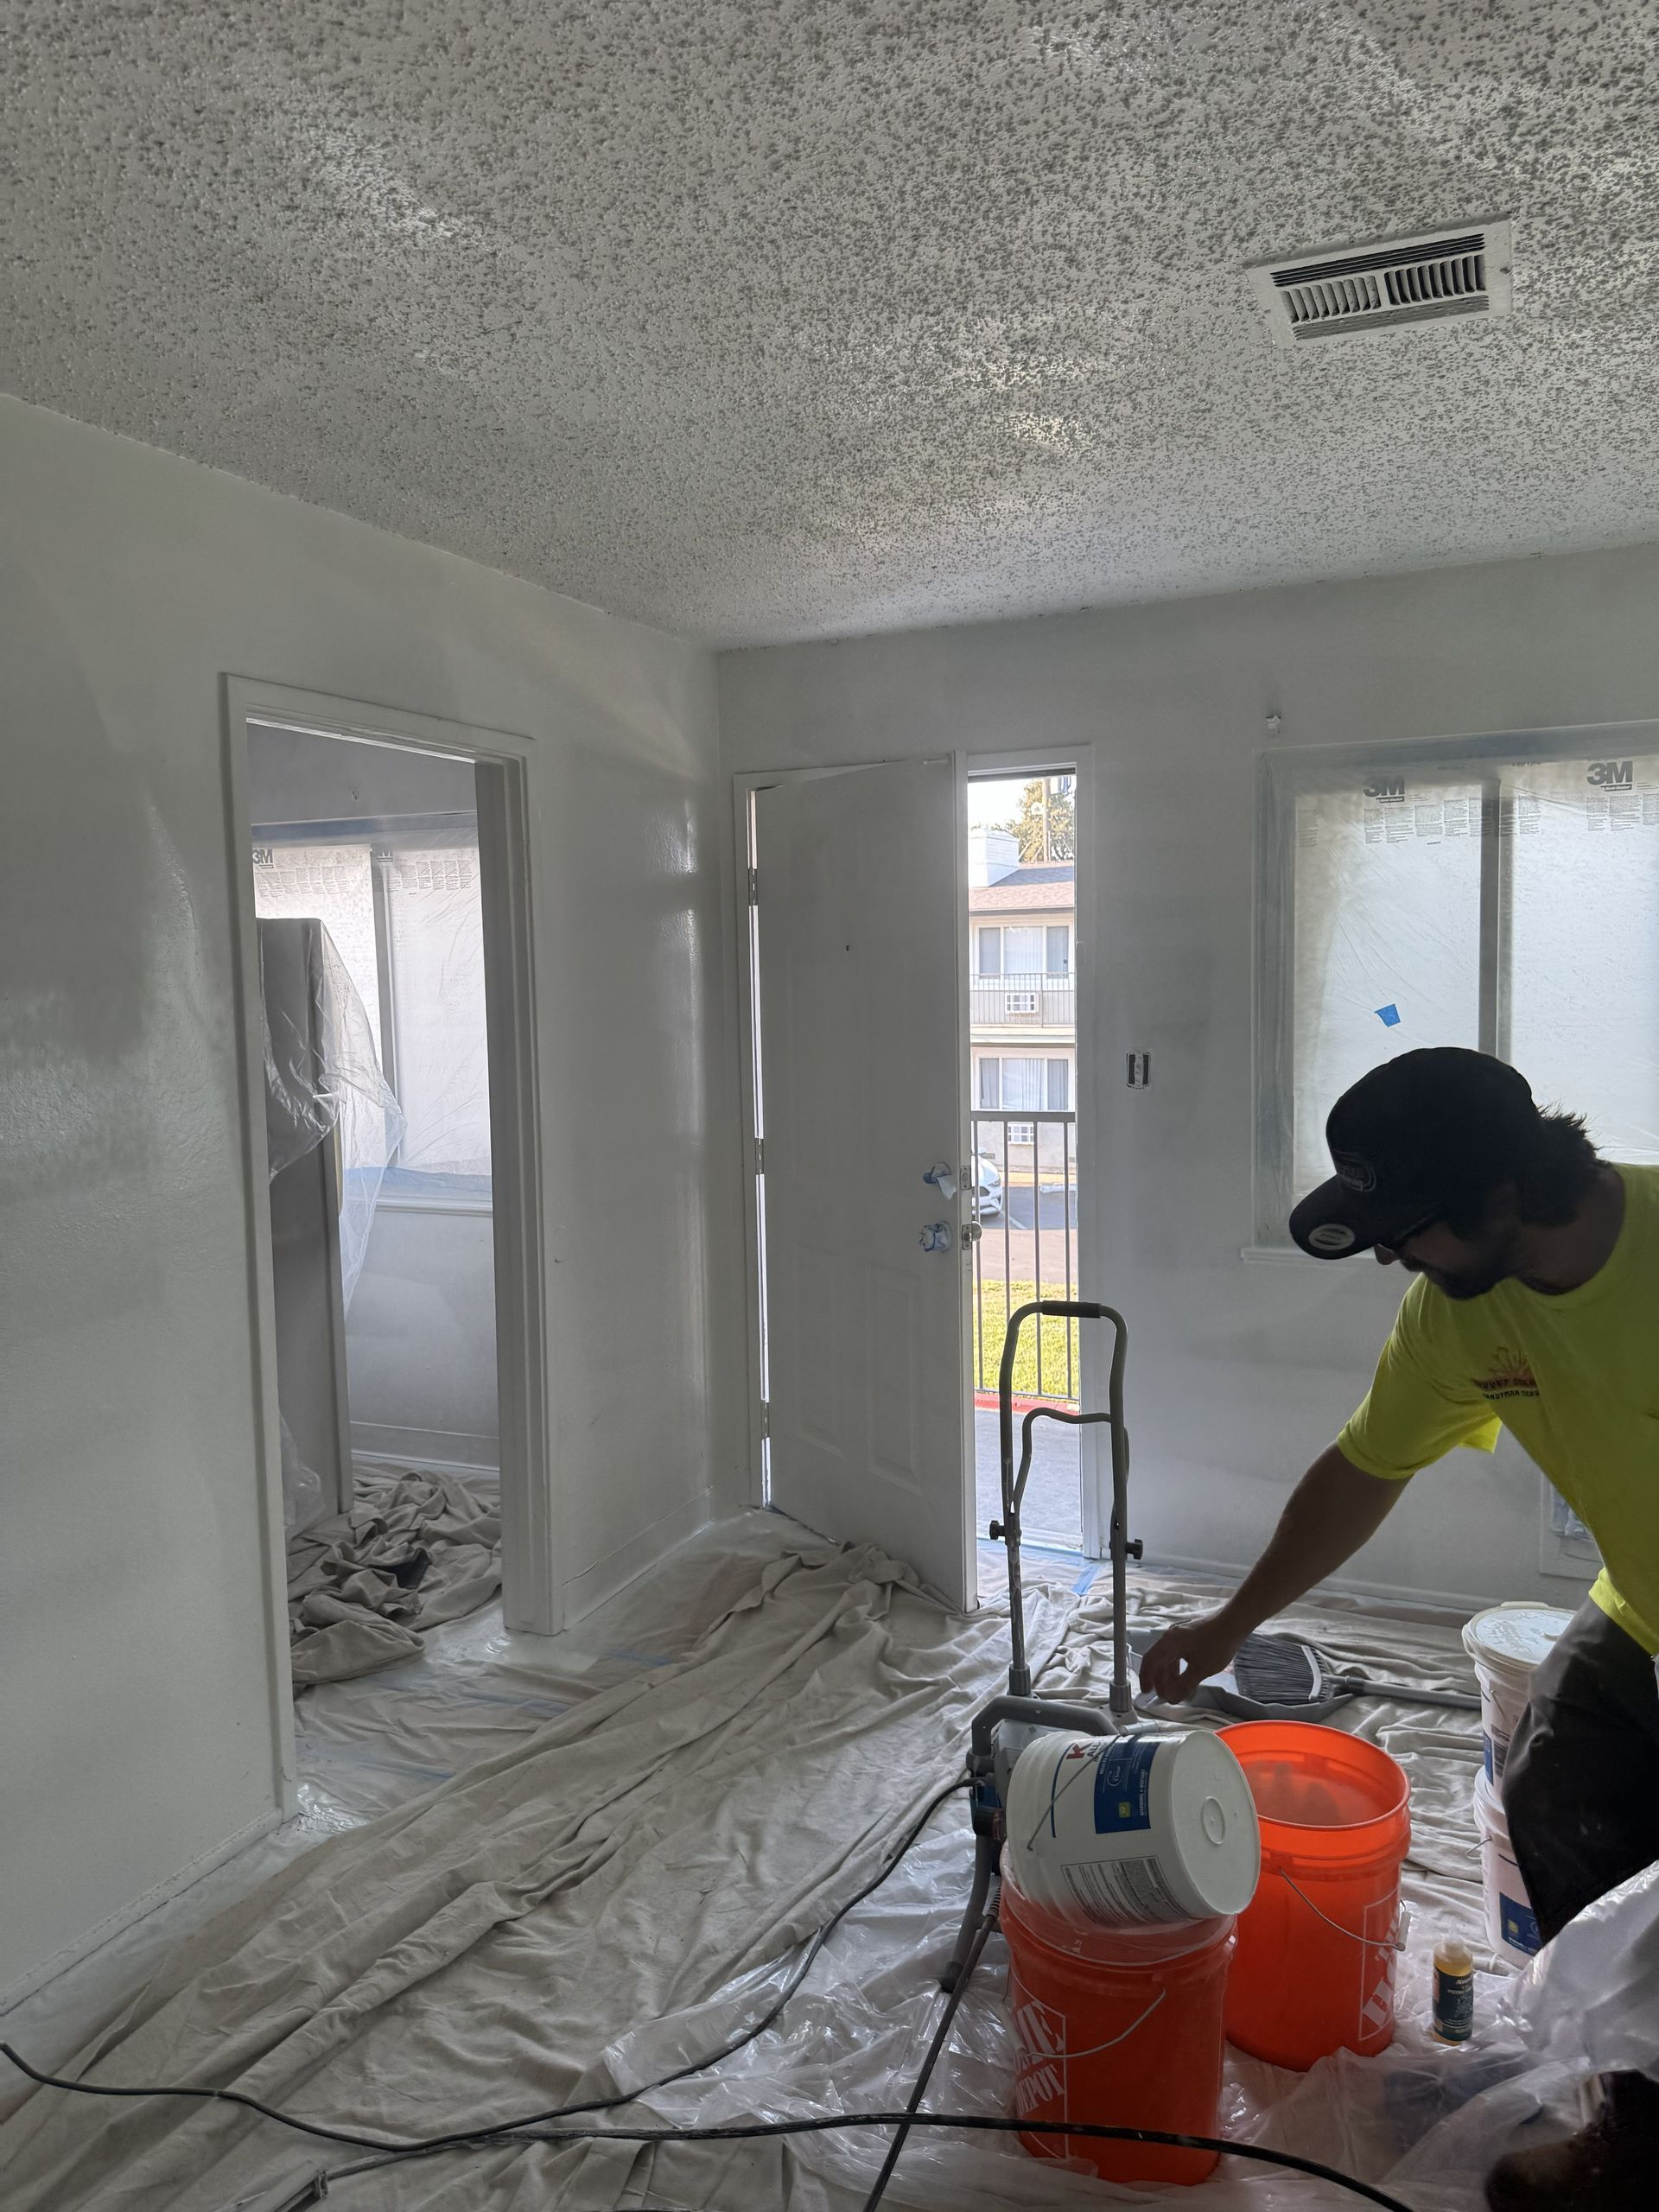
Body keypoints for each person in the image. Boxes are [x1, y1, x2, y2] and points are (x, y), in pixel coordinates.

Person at [1141, 1047, 1659, 2212]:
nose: (1388, 1253)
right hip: (1643, 1603)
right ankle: (1636, 2121)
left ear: (1507, 1196)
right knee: (1560, 1784)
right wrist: (1232, 1624)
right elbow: (1364, 1471)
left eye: (1409, 1224)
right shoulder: (1458, 1316)